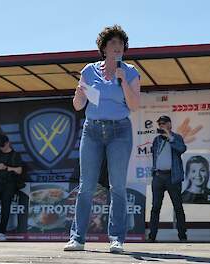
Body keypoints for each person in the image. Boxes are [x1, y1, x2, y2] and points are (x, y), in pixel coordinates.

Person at [64, 25, 140, 253]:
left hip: (120, 131)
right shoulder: (88, 71)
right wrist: (78, 92)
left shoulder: (131, 71)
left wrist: (123, 80)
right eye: (113, 44)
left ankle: (117, 239)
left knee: (117, 186)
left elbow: (134, 105)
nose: (118, 48)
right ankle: (77, 238)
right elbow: (78, 105)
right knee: (86, 186)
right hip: (93, 131)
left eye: (121, 44)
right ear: (104, 48)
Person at [147, 115, 187, 243]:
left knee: (178, 207)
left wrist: (170, 137)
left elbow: (182, 149)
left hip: (172, 177)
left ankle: (182, 236)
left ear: (170, 124)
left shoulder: (177, 138)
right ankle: (152, 236)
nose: (161, 126)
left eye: (163, 123)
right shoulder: (157, 140)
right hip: (158, 177)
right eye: (159, 124)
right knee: (155, 207)